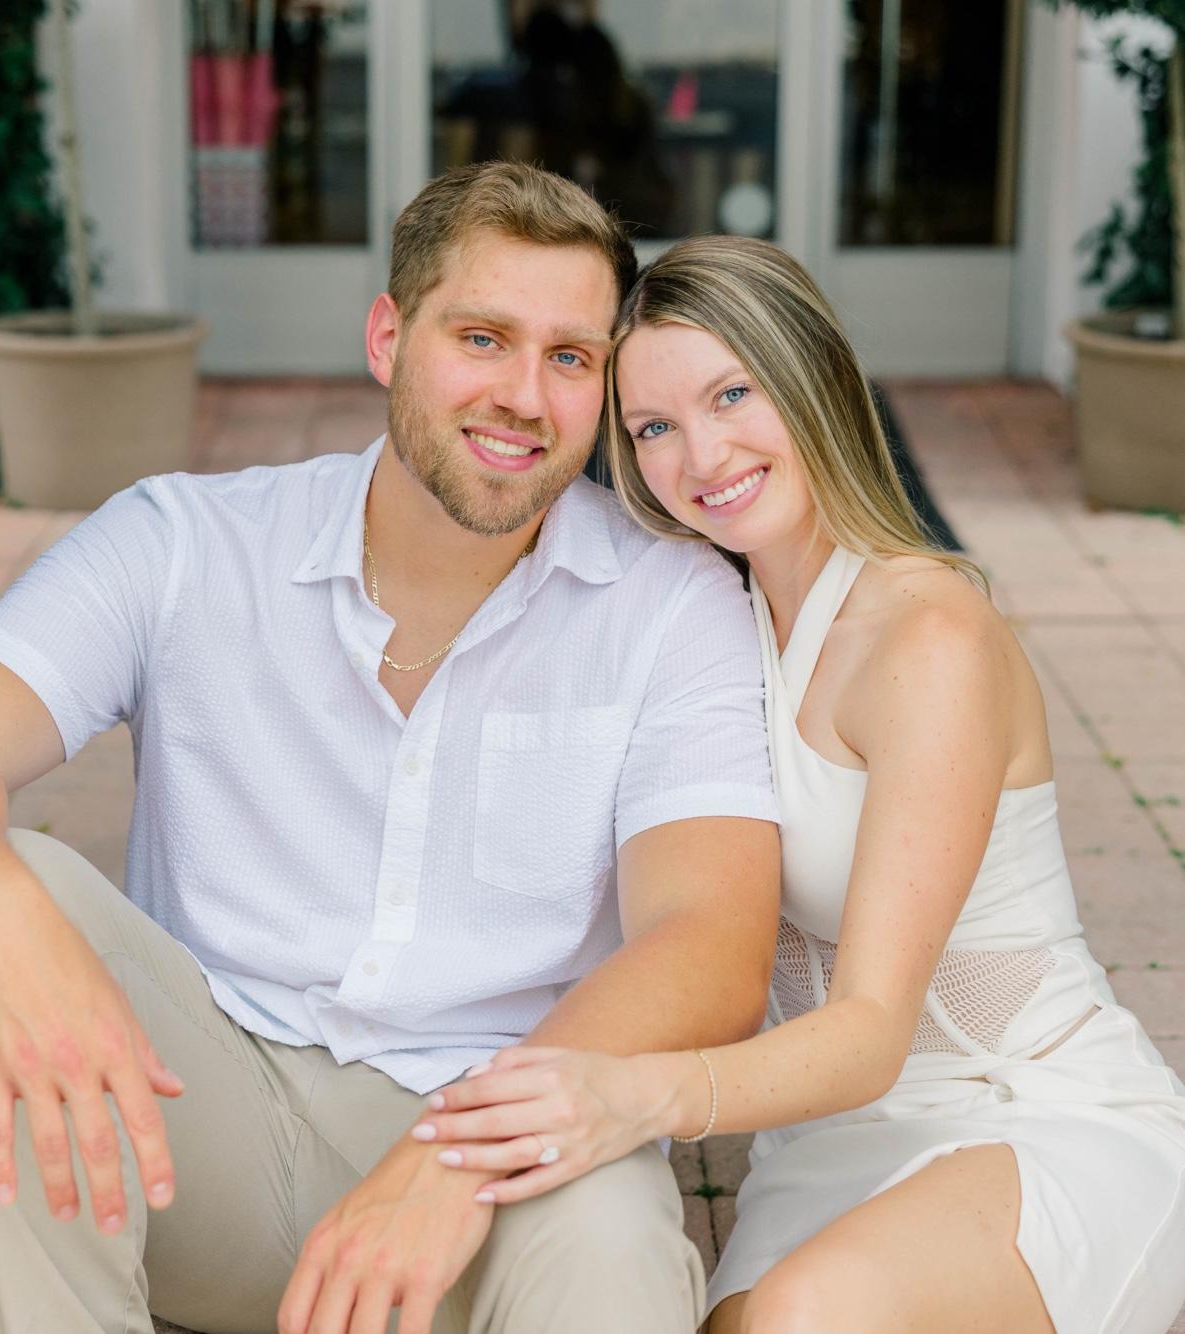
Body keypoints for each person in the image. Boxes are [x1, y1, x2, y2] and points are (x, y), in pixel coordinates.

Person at [0, 165, 781, 1334]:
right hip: (198, 1128)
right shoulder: (187, 542)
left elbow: (711, 940)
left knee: (611, 1239)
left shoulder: (668, 601)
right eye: (481, 338)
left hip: (498, 1163)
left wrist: (450, 1154)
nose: (522, 396)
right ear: (387, 337)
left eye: (568, 357)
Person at [416, 235, 1185, 1334]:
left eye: (732, 394)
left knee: (802, 1314)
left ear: (811, 377)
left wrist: (631, 1095)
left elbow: (871, 1030)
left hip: (1032, 1113)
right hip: (821, 1146)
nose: (702, 453)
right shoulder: (702, 627)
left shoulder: (928, 638)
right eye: (653, 427)